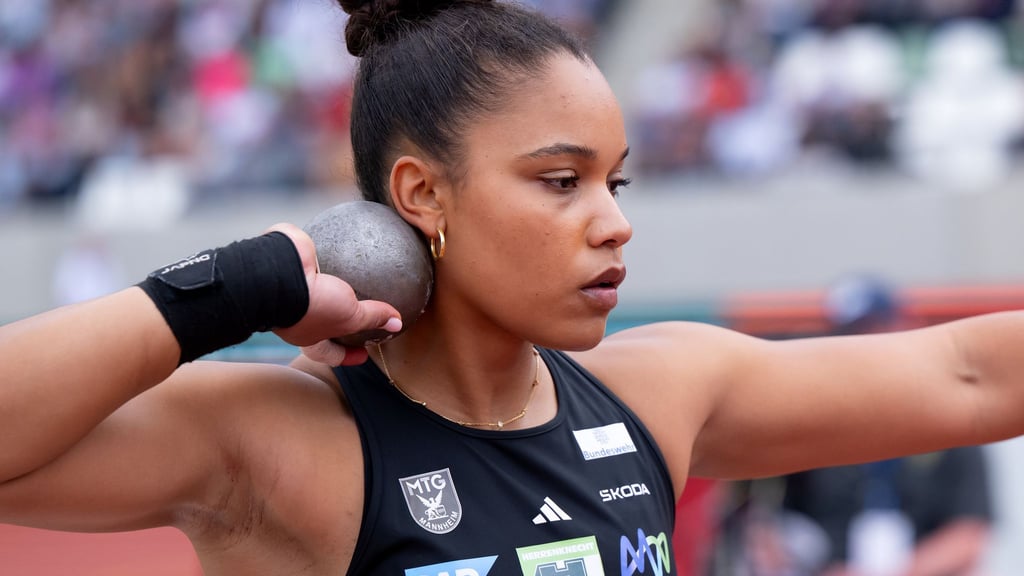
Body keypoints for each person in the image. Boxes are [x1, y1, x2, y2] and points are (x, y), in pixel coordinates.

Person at [2, 2, 1024, 575]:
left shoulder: (658, 394)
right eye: (559, 180)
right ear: (421, 194)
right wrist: (233, 287)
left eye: (615, 181)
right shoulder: (277, 441)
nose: (613, 219)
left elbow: (968, 375)